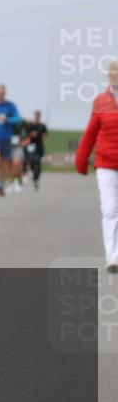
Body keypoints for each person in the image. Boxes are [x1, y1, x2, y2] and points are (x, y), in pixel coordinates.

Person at [75, 58, 118, 274]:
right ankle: (112, 256)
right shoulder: (101, 101)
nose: (116, 75)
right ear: (109, 76)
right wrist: (81, 160)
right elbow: (91, 131)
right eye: (114, 72)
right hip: (106, 165)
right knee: (110, 209)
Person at [21, 111, 48, 191]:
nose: (37, 117)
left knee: (37, 163)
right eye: (36, 116)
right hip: (29, 146)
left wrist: (40, 134)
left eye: (38, 116)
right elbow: (24, 134)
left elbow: (45, 135)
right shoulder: (29, 125)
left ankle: (36, 179)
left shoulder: (42, 126)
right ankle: (25, 174)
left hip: (38, 147)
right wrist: (30, 135)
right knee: (28, 161)